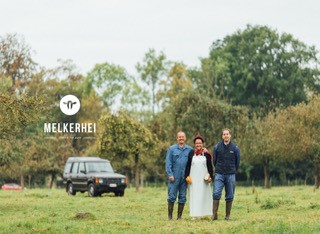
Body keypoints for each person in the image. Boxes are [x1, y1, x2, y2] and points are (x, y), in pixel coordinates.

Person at [212, 128, 240, 221]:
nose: (226, 136)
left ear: (230, 135)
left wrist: (232, 170)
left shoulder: (235, 148)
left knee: (230, 195)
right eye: (224, 134)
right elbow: (214, 161)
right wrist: (219, 168)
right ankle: (214, 215)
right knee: (216, 193)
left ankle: (227, 216)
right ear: (222, 136)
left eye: (227, 134)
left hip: (230, 174)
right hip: (219, 173)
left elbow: (237, 162)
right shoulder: (217, 147)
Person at [185, 134, 214, 219]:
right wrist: (186, 176)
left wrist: (211, 177)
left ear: (203, 144)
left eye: (200, 143)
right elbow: (188, 166)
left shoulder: (206, 154)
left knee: (203, 195)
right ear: (194, 144)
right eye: (197, 143)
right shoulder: (191, 153)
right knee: (194, 196)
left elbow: (210, 167)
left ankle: (203, 214)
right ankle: (195, 215)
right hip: (193, 179)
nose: (198, 145)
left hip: (203, 179)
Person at [165, 131, 193, 220]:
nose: (181, 138)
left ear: (185, 138)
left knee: (183, 197)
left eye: (182, 137)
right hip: (174, 177)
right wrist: (170, 174)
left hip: (184, 178)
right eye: (179, 137)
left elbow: (195, 160)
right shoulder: (172, 149)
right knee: (172, 196)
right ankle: (170, 216)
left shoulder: (189, 149)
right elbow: (168, 163)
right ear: (177, 138)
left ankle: (179, 217)